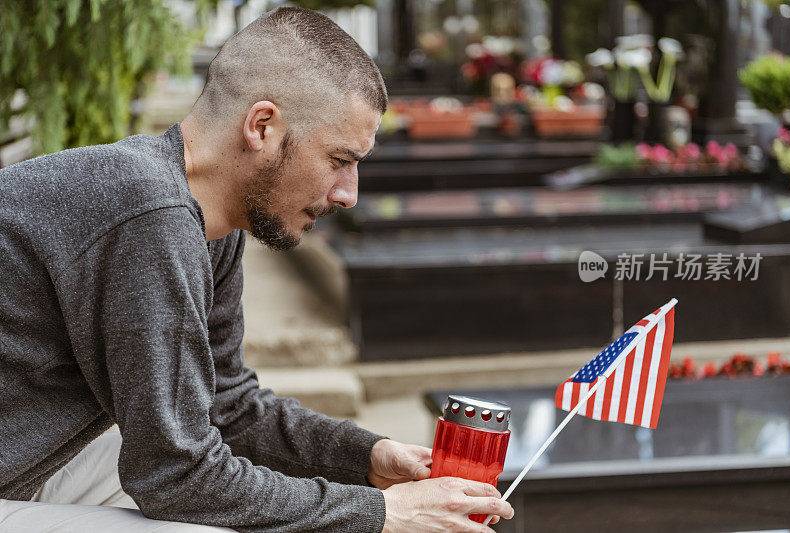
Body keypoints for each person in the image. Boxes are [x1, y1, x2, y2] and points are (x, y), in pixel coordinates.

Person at [0, 7, 513, 533]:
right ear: (261, 126)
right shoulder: (149, 213)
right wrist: (384, 515)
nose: (349, 194)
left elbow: (229, 407)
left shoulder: (208, 225)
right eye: (339, 160)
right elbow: (177, 476)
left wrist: (368, 458)